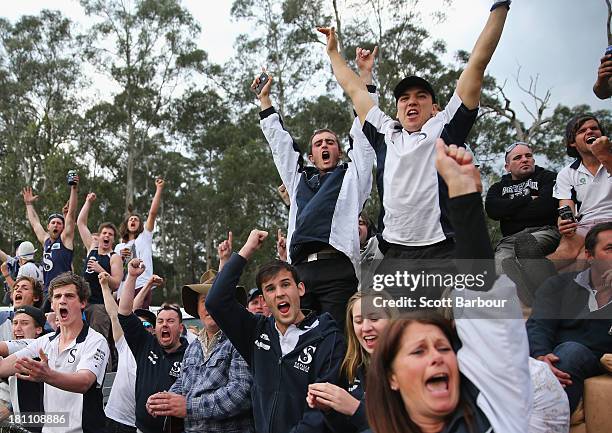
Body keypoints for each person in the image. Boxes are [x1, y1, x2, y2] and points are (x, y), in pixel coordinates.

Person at [362, 138, 534, 433]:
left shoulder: (498, 408)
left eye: (444, 348)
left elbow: (486, 304)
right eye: (418, 351)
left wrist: (463, 194)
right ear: (392, 377)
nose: (437, 357)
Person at [318, 1, 509, 263]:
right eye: (404, 98)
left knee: (457, 305)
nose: (411, 102)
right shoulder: (385, 131)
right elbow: (353, 88)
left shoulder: (445, 126)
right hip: (395, 253)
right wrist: (333, 52)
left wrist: (500, 6)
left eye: (421, 96)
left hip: (444, 251)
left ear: (433, 107)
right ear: (396, 109)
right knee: (377, 305)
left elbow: (477, 63)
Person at [252, 48, 377, 328]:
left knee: (337, 340)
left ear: (340, 152)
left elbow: (367, 132)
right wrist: (264, 100)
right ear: (310, 156)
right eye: (318, 143)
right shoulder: (300, 178)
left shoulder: (351, 176)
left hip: (339, 268)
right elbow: (280, 145)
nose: (324, 146)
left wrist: (366, 76)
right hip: (301, 272)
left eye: (330, 142)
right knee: (299, 338)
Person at [206, 231, 346, 433]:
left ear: (300, 289)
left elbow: (322, 411)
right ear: (264, 299)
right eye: (270, 289)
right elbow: (216, 301)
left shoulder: (328, 337)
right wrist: (248, 249)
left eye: (286, 284)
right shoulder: (255, 332)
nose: (279, 293)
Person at [144, 269, 253, 433]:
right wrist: (164, 400)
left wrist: (187, 406)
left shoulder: (240, 339)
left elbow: (240, 392)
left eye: (216, 299)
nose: (210, 305)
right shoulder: (193, 346)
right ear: (197, 308)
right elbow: (182, 382)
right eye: (204, 300)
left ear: (229, 304)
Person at [0, 272, 110, 433]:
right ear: (52, 304)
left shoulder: (95, 340)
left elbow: (84, 382)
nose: (62, 300)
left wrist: (47, 375)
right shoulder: (45, 342)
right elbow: (3, 367)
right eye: (57, 296)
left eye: (69, 296)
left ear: (83, 302)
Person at [526, 222, 612, 414]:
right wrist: (541, 355)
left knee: (572, 352)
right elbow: (538, 325)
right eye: (610, 248)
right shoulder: (559, 285)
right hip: (555, 357)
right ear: (589, 257)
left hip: (594, 359)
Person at [306, 291, 393, 433]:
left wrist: (355, 408)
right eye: (358, 321)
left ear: (392, 320)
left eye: (374, 319)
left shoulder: (408, 369)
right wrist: (330, 409)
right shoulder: (352, 368)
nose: (365, 327)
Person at [118, 258, 187, 433]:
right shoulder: (144, 344)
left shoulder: (191, 354)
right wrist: (132, 276)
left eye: (170, 321)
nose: (164, 325)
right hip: (142, 429)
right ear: (155, 328)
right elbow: (125, 312)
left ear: (180, 328)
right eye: (160, 321)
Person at [22, 175, 79, 295]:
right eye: (53, 223)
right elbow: (35, 223)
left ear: (63, 228)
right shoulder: (46, 240)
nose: (56, 225)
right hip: (47, 291)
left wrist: (73, 189)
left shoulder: (65, 240)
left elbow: (72, 214)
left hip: (64, 289)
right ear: (48, 227)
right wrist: (28, 204)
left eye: (59, 223)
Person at [115, 177, 164, 308]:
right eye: (131, 219)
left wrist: (159, 189)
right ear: (126, 225)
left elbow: (152, 214)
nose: (133, 221)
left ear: (140, 224)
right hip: (122, 290)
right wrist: (121, 258)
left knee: (139, 320)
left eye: (136, 220)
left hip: (141, 284)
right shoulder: (118, 247)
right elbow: (114, 270)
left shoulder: (144, 237)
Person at [0, 306, 47, 433]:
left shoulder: (36, 345)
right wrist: (9, 408)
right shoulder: (13, 354)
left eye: (24, 323)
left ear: (38, 330)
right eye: (15, 323)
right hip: (25, 423)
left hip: (44, 424)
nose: (17, 328)